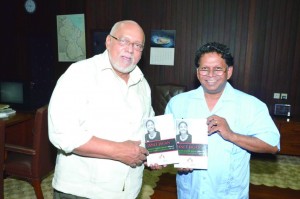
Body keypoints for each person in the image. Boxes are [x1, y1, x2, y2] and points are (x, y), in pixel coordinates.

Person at [48, 20, 154, 199]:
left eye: (137, 45)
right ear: (108, 41)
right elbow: (62, 134)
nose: (130, 49)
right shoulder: (79, 74)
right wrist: (118, 151)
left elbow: (147, 127)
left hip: (129, 191)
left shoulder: (142, 83)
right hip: (82, 192)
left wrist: (155, 153)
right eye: (124, 41)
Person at [165, 42, 280, 199]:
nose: (211, 74)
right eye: (204, 69)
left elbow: (272, 145)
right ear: (197, 72)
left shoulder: (251, 105)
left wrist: (232, 135)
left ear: (229, 71)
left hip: (230, 194)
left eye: (218, 69)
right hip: (190, 193)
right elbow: (166, 144)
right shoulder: (178, 103)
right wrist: (176, 158)